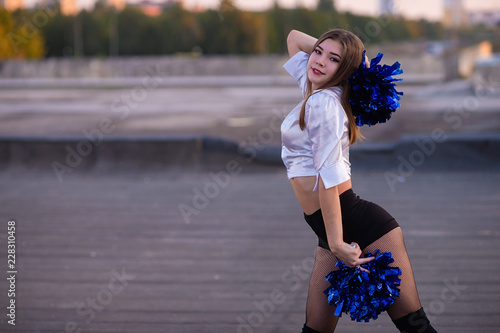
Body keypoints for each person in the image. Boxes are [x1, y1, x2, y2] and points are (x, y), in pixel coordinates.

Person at [280, 29, 438, 333]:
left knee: (416, 327)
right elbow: (293, 38)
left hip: (357, 227)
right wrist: (354, 60)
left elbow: (328, 178)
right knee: (315, 330)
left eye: (333, 59)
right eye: (318, 52)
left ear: (344, 71)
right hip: (331, 230)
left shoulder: (324, 103)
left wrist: (338, 243)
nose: (319, 61)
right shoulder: (316, 89)